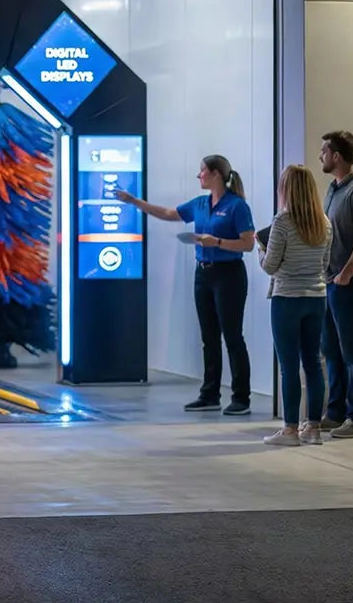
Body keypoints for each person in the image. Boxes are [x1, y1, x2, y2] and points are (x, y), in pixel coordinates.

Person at [116, 155, 255, 415]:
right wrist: (135, 202)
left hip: (229, 274)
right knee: (209, 337)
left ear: (215, 174)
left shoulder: (237, 206)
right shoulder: (200, 203)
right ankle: (210, 393)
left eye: (202, 171)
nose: (198, 175)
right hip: (203, 274)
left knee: (233, 336)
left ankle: (241, 397)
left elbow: (248, 243)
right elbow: (170, 214)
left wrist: (219, 243)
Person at [257, 165, 331, 446]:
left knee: (289, 366)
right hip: (317, 298)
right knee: (313, 363)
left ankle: (289, 430)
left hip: (286, 299)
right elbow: (325, 264)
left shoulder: (283, 222)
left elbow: (270, 266)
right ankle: (313, 428)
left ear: (285, 190)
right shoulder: (324, 221)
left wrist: (260, 249)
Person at [318, 130, 353, 439]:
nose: (320, 156)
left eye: (324, 151)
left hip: (349, 285)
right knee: (331, 351)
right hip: (330, 283)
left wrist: (347, 273)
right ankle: (334, 412)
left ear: (337, 156)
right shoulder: (333, 190)